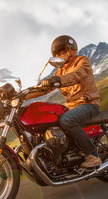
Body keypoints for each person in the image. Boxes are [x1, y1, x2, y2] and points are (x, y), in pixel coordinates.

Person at [29, 35, 102, 168]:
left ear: (71, 51)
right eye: (57, 53)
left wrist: (58, 80)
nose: (60, 55)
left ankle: (93, 155)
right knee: (50, 122)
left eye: (62, 52)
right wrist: (21, 96)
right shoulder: (59, 72)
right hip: (72, 108)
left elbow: (76, 75)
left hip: (89, 105)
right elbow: (44, 89)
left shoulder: (82, 61)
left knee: (67, 120)